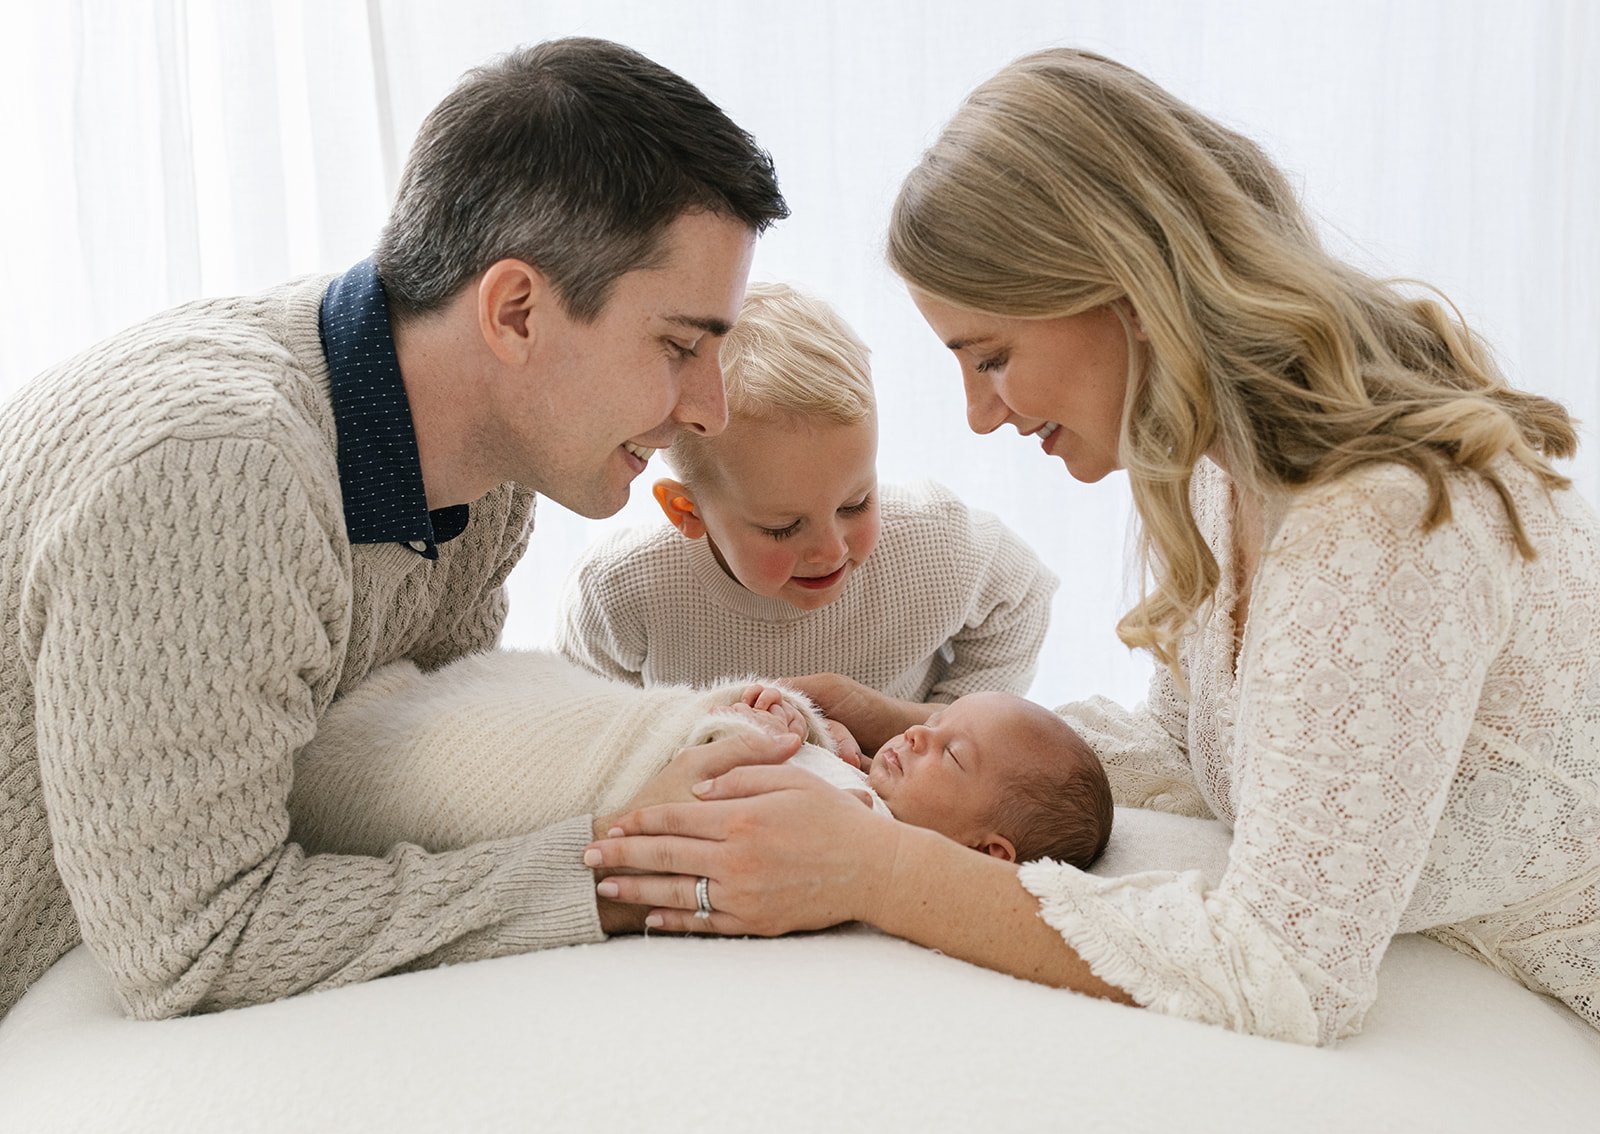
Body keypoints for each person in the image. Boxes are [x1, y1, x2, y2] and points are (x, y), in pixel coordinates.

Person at [582, 48, 1600, 1046]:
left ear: (1126, 296)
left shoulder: (1369, 529)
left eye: (991, 357)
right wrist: (918, 727)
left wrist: (873, 867)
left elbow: (1290, 971)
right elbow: (1212, 751)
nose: (981, 415)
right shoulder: (1212, 471)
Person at [0, 37, 791, 1022]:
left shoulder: (485, 470)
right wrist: (617, 869)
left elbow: (394, 780)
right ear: (513, 311)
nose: (711, 409)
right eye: (680, 345)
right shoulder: (218, 468)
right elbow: (194, 945)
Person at [553, 281, 1058, 701]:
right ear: (687, 511)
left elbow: (1022, 596)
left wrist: (937, 726)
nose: (830, 549)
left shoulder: (932, 543)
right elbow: (584, 720)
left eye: (855, 504)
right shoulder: (620, 590)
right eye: (782, 528)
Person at [288, 651, 1111, 871]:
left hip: (588, 768)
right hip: (612, 724)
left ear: (986, 852)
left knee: (425, 762)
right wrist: (780, 718)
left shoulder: (850, 823)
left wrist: (748, 735)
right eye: (940, 720)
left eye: (951, 753)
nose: (918, 733)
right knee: (520, 694)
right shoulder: (856, 780)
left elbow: (728, 788)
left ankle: (364, 750)